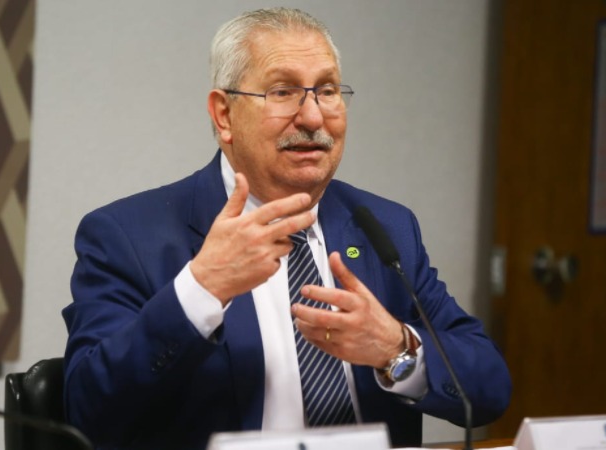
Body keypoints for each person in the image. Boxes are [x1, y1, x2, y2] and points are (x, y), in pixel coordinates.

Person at [62, 7, 511, 449]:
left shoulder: (385, 228)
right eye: (282, 92)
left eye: (327, 90)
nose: (313, 118)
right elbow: (89, 413)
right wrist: (201, 289)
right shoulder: (129, 236)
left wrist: (396, 348)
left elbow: (489, 388)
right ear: (224, 115)